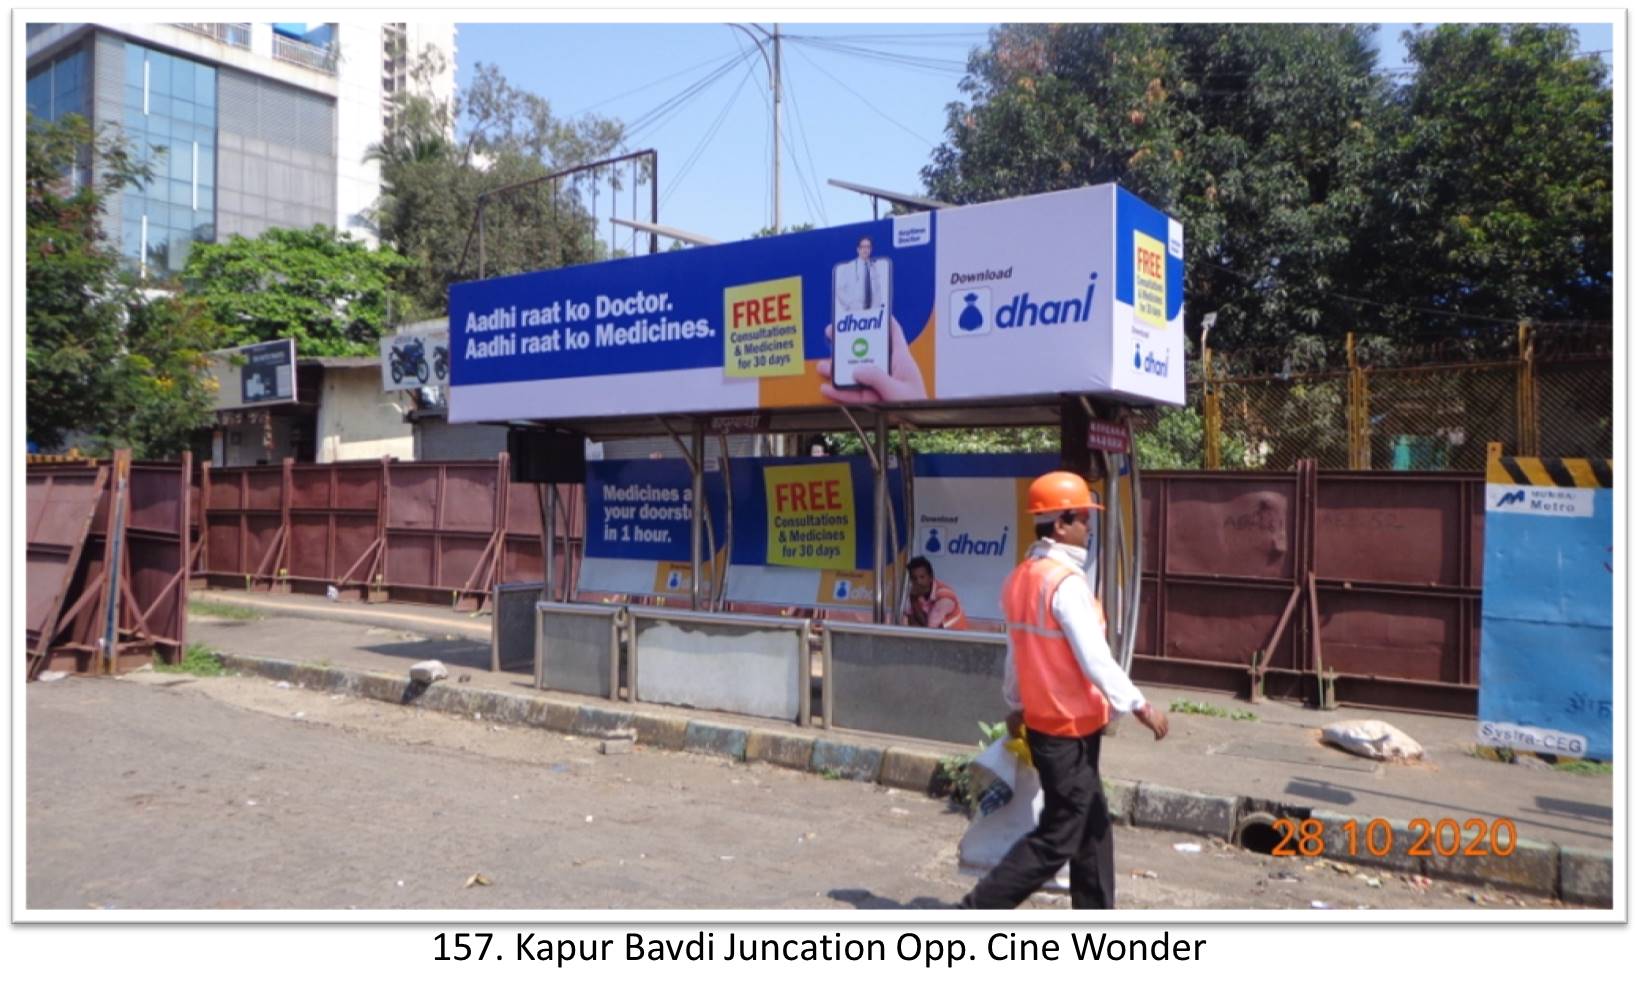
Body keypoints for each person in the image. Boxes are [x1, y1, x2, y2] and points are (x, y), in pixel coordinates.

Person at [959, 470, 1169, 910]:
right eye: (1083, 521)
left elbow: (1017, 651)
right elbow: (1095, 658)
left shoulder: (1022, 578)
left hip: (1048, 725)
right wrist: (1138, 704)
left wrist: (1015, 704)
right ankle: (975, 910)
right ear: (1060, 524)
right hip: (1068, 730)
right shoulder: (1065, 585)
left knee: (1092, 824)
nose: (1088, 529)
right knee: (1058, 836)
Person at [905, 556, 969, 630]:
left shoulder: (945, 596)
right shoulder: (916, 593)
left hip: (957, 638)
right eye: (914, 578)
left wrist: (914, 600)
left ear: (931, 577)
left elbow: (930, 629)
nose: (918, 582)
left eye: (922, 577)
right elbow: (911, 622)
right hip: (938, 637)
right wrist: (914, 600)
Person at [834, 235, 887, 313]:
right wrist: (850, 304)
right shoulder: (850, 267)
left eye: (868, 247)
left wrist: (877, 309)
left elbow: (877, 292)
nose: (865, 250)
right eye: (863, 247)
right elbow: (839, 290)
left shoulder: (874, 267)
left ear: (871, 249)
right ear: (858, 249)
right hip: (855, 312)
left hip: (873, 313)